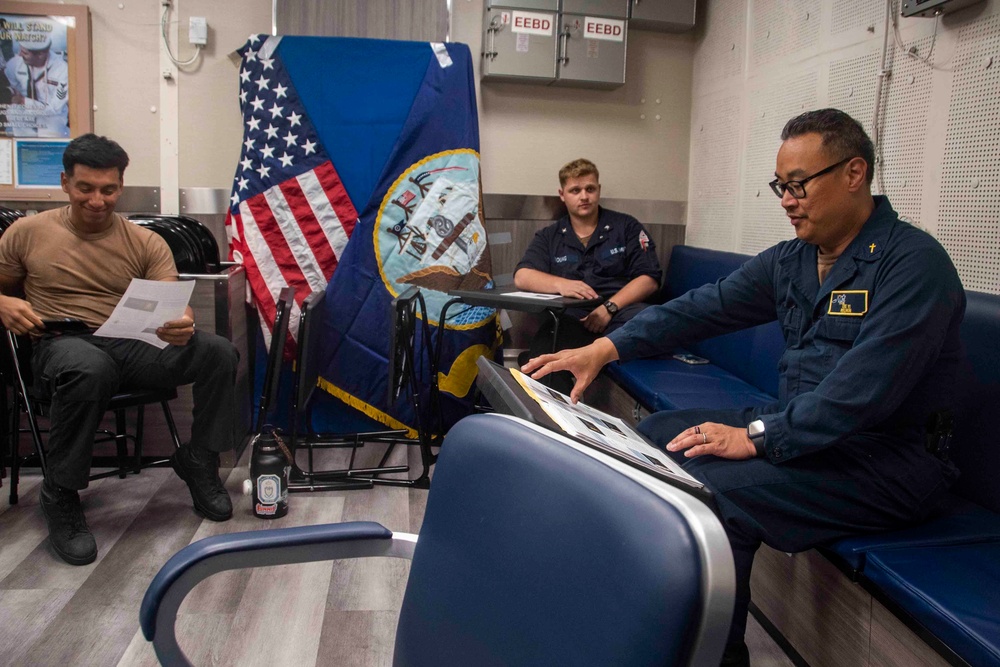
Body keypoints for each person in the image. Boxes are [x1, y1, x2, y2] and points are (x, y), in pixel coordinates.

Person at [522, 110, 965, 666]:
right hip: (806, 432)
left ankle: (712, 657)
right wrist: (605, 349)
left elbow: (862, 392)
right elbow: (703, 307)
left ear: (855, 173)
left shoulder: (913, 265)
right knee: (654, 436)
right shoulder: (795, 258)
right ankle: (643, 619)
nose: (786, 199)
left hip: (888, 462)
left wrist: (756, 436)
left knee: (716, 492)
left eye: (799, 185)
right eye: (781, 186)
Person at [0, 134, 239, 566]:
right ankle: (60, 492)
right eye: (86, 188)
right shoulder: (28, 233)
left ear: (120, 186)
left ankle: (199, 460)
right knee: (88, 367)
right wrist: (3, 302)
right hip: (61, 344)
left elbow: (173, 299)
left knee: (218, 352)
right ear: (65, 183)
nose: (97, 199)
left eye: (108, 189)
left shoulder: (143, 241)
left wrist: (182, 322)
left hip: (131, 344)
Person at [513, 158, 661, 393]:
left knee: (650, 317)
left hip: (620, 316)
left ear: (598, 190)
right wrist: (561, 284)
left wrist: (609, 308)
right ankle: (555, 422)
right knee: (542, 354)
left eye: (590, 189)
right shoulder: (550, 236)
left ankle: (596, 368)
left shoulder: (626, 227)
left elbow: (649, 278)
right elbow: (522, 276)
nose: (584, 196)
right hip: (575, 320)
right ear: (562, 195)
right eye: (575, 190)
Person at [3, 30, 70, 137]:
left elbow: (54, 109)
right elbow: (9, 90)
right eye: (20, 50)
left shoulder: (62, 70)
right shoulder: (14, 64)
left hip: (51, 118)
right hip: (24, 114)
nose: (19, 55)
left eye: (24, 53)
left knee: (48, 142)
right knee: (14, 113)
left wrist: (22, 100)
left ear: (40, 54)